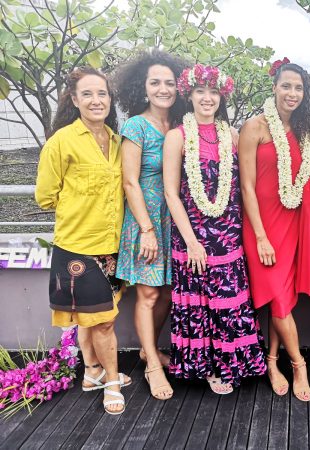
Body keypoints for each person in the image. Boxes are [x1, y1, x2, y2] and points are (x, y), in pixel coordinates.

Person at [163, 64, 266, 394]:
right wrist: (192, 242)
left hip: (228, 234)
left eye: (213, 92)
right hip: (192, 236)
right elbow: (170, 192)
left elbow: (247, 183)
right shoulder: (176, 137)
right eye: (200, 92)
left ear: (221, 97)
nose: (207, 98)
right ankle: (206, 367)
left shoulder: (232, 135)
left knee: (229, 302)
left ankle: (232, 362)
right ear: (189, 95)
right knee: (200, 304)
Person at [35, 67, 130, 415]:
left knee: (93, 318)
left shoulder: (117, 141)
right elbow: (45, 197)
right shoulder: (61, 142)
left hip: (113, 246)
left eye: (102, 93)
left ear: (109, 99)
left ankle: (92, 371)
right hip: (77, 246)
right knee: (102, 321)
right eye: (87, 94)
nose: (96, 100)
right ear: (74, 100)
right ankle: (113, 382)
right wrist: (80, 205)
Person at [238, 59, 310, 401]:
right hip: (263, 225)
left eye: (298, 88)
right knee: (278, 297)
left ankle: (272, 361)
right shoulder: (255, 127)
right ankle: (299, 363)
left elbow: (308, 185)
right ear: (274, 87)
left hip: (293, 224)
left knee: (280, 300)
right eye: (286, 86)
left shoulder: (304, 132)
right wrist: (259, 236)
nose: (292, 93)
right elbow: (246, 186)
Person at [113, 50, 187, 401]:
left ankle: (148, 349)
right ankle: (152, 366)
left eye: (169, 83)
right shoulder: (136, 126)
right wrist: (146, 228)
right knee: (149, 293)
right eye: (155, 82)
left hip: (177, 218)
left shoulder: (179, 125)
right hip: (147, 218)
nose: (163, 89)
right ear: (143, 88)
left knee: (170, 291)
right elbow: (130, 182)